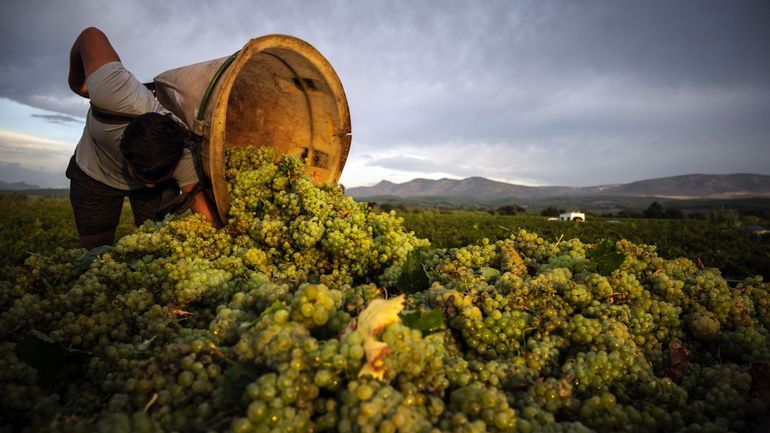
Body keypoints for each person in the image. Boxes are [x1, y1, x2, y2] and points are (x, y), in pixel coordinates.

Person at [67, 27, 221, 249]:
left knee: (154, 245)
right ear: (123, 149)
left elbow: (202, 209)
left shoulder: (184, 154)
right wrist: (76, 83)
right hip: (94, 173)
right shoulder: (112, 91)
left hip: (159, 189)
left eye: (158, 177)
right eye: (141, 175)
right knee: (95, 249)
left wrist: (222, 241)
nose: (149, 184)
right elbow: (90, 36)